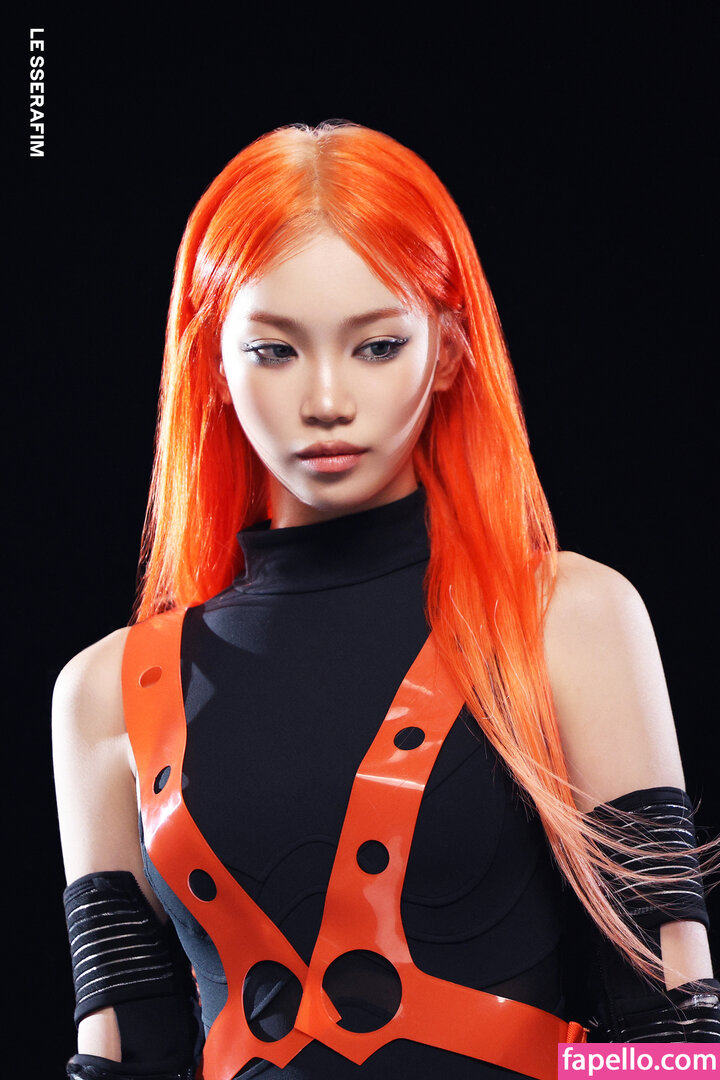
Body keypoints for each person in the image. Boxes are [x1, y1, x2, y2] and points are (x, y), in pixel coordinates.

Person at [52, 120, 720, 1080]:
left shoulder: (566, 619)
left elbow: (673, 1032)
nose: (327, 399)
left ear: (447, 352)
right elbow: (124, 1053)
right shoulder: (107, 694)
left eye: (376, 345)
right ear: (212, 366)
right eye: (274, 350)